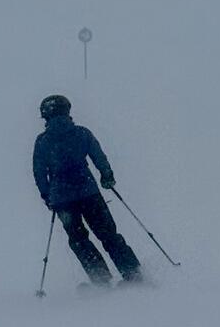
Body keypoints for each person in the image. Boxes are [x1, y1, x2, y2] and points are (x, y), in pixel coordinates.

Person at [32, 94, 142, 283]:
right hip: (89, 192)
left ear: (45, 116)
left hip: (62, 199)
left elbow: (39, 172)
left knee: (78, 239)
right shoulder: (82, 133)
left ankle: (101, 278)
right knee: (108, 233)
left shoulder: (42, 141)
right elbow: (98, 156)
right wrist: (107, 175)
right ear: (67, 111)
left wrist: (46, 195)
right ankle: (132, 272)